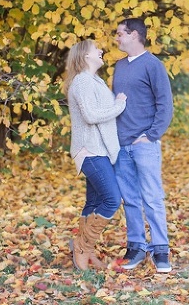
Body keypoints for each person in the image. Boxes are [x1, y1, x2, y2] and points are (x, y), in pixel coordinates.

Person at [112, 18, 174, 273]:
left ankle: (161, 250)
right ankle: (136, 247)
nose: (116, 38)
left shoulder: (153, 65)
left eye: (119, 34)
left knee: (152, 197)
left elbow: (165, 104)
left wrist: (151, 135)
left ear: (135, 35)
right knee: (131, 199)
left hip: (144, 143)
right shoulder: (119, 66)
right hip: (121, 144)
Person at [65, 39, 127, 270]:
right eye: (96, 49)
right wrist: (119, 105)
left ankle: (84, 250)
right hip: (90, 151)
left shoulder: (94, 81)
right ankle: (82, 246)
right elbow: (91, 115)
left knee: (94, 201)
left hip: (99, 150)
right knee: (112, 199)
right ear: (85, 56)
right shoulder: (82, 81)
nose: (101, 51)